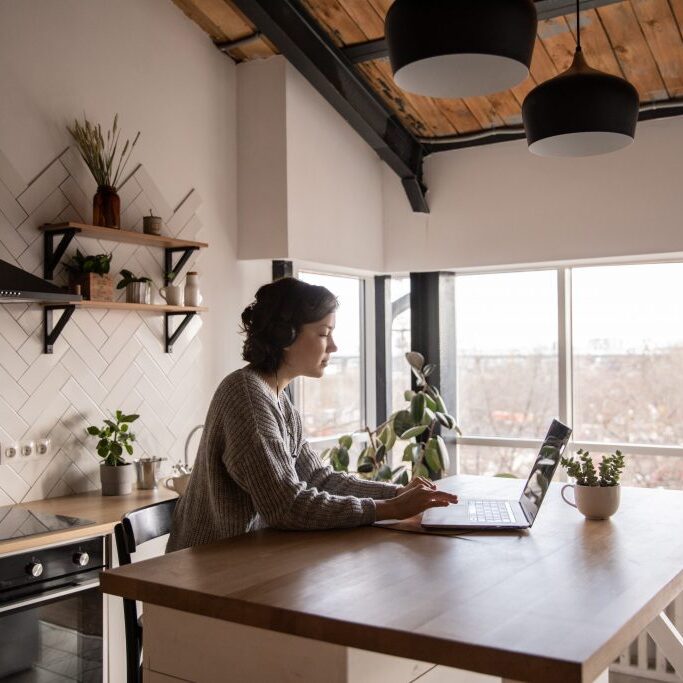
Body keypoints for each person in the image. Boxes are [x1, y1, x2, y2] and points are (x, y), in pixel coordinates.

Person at [166, 277, 458, 552]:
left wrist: (396, 493)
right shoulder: (247, 396)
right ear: (284, 335)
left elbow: (318, 478)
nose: (333, 346)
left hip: (246, 559)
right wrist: (390, 509)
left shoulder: (277, 399)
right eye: (323, 333)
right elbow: (286, 506)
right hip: (201, 576)